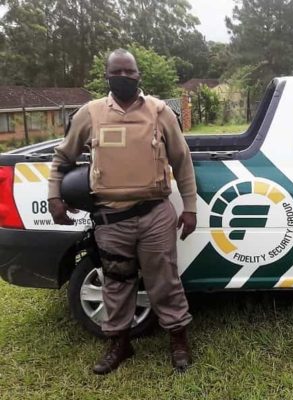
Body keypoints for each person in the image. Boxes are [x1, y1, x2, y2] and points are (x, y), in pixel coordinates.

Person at [47, 48, 197, 375]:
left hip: (156, 213)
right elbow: (63, 159)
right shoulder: (90, 113)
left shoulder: (160, 112)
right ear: (108, 76)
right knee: (115, 282)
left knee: (165, 280)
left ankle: (178, 340)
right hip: (111, 218)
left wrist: (189, 207)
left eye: (130, 72)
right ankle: (120, 344)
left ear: (138, 75)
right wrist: (54, 197)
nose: (125, 77)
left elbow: (182, 162)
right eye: (118, 72)